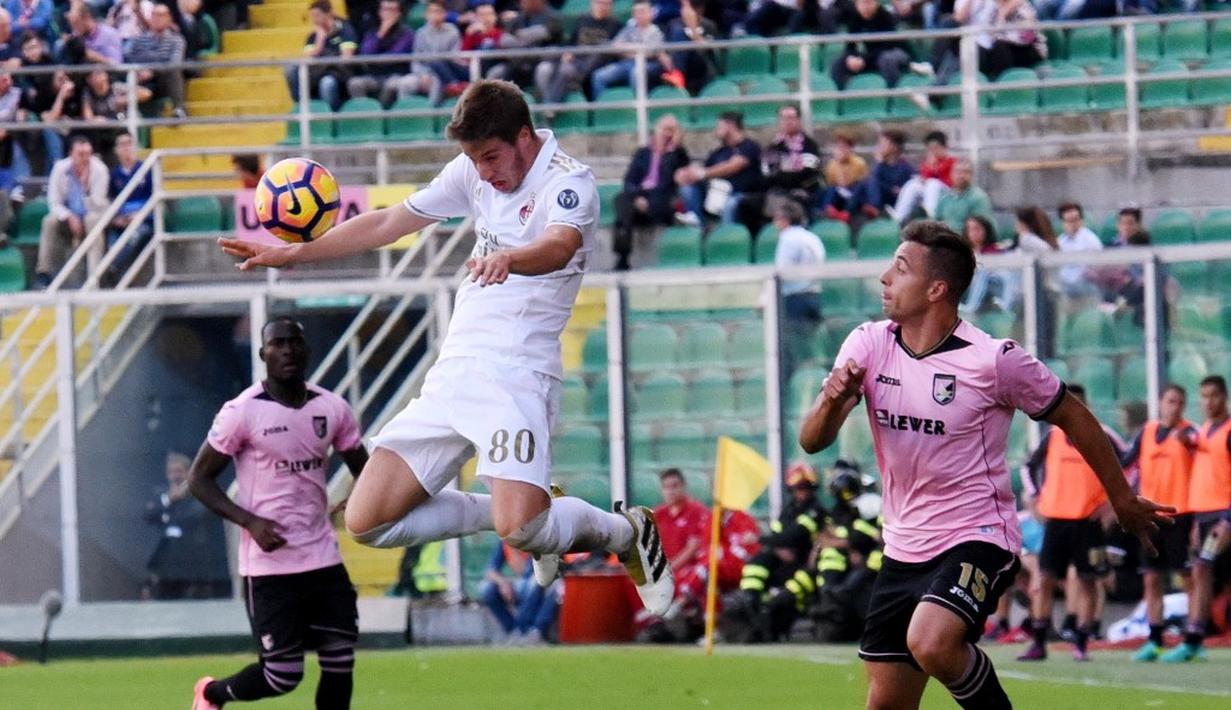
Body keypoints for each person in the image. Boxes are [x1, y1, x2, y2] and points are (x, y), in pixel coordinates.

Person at [217, 80, 675, 623]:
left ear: (524, 137)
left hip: (517, 374)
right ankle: (536, 511)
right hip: (454, 372)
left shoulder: (567, 182)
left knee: (522, 529)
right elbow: (391, 221)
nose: (482, 172)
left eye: (491, 157)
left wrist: (511, 258)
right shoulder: (472, 173)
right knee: (369, 521)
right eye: (473, 159)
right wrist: (294, 254)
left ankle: (627, 531)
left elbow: (559, 246)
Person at [797, 220, 1170, 709]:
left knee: (932, 641)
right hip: (903, 545)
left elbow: (1076, 418)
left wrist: (1121, 498)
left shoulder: (994, 360)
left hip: (979, 535)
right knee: (886, 702)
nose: (885, 277)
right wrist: (832, 399)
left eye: (900, 268)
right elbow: (811, 441)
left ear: (936, 289)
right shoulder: (869, 344)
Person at [188, 317, 370, 710]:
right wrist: (250, 522)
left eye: (294, 343)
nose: (287, 349)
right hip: (270, 567)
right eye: (277, 343)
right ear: (263, 354)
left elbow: (364, 468)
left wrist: (361, 501)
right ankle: (211, 694)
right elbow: (199, 479)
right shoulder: (243, 412)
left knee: (340, 659)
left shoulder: (332, 407)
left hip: (323, 556)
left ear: (306, 351)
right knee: (282, 676)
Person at [1017, 383, 1127, 662]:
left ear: (1085, 405)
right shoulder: (1052, 436)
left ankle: (1081, 641)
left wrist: (1112, 503)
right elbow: (1028, 467)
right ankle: (1039, 641)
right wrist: (1035, 497)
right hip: (1056, 519)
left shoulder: (1102, 433)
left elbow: (1132, 464)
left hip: (1088, 521)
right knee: (1044, 578)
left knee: (1088, 581)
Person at [1122, 385, 1195, 662]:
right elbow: (1126, 463)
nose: (1174, 407)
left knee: (1186, 577)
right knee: (1152, 578)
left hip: (1181, 515)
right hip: (1151, 516)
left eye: (1179, 402)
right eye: (1170, 401)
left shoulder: (1190, 433)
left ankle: (1192, 635)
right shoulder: (1148, 432)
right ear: (1161, 403)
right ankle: (1155, 639)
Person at [1161, 375, 1231, 663]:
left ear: (1224, 396)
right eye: (1203, 396)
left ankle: (1193, 638)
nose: (1207, 402)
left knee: (1202, 568)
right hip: (1203, 515)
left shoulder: (1228, 430)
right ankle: (1196, 638)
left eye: (1213, 395)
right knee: (1209, 572)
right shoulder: (1203, 431)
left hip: (1224, 515)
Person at [142, 451, 229, 600]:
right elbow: (148, 514)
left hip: (193, 562)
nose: (175, 476)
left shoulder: (200, 493)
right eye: (171, 472)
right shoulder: (161, 495)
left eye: (179, 471)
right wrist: (169, 500)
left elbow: (197, 516)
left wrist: (171, 512)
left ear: (188, 472)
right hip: (166, 566)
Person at [612, 112, 689, 270]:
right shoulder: (643, 153)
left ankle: (622, 258)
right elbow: (629, 180)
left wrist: (674, 148)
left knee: (630, 208)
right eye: (665, 129)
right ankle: (623, 256)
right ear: (656, 129)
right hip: (640, 198)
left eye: (672, 130)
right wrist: (637, 198)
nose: (667, 134)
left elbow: (671, 180)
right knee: (622, 200)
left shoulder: (678, 155)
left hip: (661, 200)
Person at [33, 134, 108, 288]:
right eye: (81, 154)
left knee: (91, 220)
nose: (85, 158)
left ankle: (94, 277)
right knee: (49, 221)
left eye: (88, 154)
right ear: (71, 154)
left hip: (92, 215)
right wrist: (69, 216)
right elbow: (54, 202)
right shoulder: (60, 168)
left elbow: (98, 204)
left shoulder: (100, 169)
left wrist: (85, 187)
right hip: (69, 218)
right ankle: (43, 274)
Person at [674, 111, 763, 229]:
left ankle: (726, 238)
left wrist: (702, 173)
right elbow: (703, 169)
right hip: (715, 193)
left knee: (730, 204)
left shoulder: (749, 146)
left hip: (741, 195)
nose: (716, 130)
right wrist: (686, 174)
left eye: (719, 126)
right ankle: (696, 229)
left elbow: (733, 166)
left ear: (730, 126)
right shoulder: (719, 152)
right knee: (688, 189)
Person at [533, 0, 621, 105]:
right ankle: (545, 101)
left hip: (591, 64)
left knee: (566, 69)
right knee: (545, 65)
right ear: (592, 3)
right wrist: (568, 52)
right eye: (600, 3)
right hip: (575, 57)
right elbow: (571, 42)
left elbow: (611, 53)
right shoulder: (583, 20)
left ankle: (549, 108)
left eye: (607, 4)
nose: (603, 6)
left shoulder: (615, 25)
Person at [773, 200, 825, 376]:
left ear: (784, 219)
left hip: (795, 299)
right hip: (814, 296)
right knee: (811, 345)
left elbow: (782, 271)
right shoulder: (812, 237)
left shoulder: (788, 239)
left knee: (794, 351)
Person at [284, 0, 358, 111]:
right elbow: (306, 60)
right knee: (290, 70)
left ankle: (329, 118)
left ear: (329, 13)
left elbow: (346, 58)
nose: (315, 20)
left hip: (338, 74)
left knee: (326, 83)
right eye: (312, 16)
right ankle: (303, 109)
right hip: (317, 73)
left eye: (317, 15)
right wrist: (320, 41)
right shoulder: (313, 37)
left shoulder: (345, 30)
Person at [588, 0, 670, 98]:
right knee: (599, 76)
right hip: (626, 64)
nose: (639, 15)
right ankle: (601, 109)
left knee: (636, 73)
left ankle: (638, 109)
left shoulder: (657, 31)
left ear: (651, 13)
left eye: (642, 11)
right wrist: (636, 50)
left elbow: (649, 53)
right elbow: (615, 46)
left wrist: (627, 49)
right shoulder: (628, 29)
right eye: (636, 12)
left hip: (648, 64)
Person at [345, 0, 415, 108]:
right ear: (380, 12)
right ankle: (365, 111)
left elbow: (395, 56)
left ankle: (380, 112)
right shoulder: (373, 32)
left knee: (391, 85)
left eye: (391, 10)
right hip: (374, 75)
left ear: (398, 13)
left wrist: (376, 59)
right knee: (355, 83)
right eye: (385, 9)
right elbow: (366, 54)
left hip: (396, 74)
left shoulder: (406, 33)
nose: (388, 13)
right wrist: (381, 33)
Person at [124, 2, 188, 117]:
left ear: (169, 18)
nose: (157, 19)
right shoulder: (139, 40)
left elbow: (175, 63)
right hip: (142, 79)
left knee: (174, 72)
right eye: (154, 15)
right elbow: (130, 59)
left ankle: (179, 110)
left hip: (163, 81)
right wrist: (139, 71)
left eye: (161, 15)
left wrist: (152, 71)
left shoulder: (177, 40)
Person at [830, 0, 912, 90]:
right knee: (839, 62)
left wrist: (864, 59)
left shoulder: (885, 16)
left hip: (895, 52)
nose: (865, 7)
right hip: (872, 56)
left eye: (868, 2)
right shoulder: (855, 18)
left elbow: (887, 46)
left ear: (876, 3)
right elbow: (850, 45)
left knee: (887, 59)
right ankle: (838, 96)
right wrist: (851, 58)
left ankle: (892, 94)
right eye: (861, 3)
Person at [759, 104, 822, 218]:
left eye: (791, 118)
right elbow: (767, 174)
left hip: (803, 192)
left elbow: (808, 174)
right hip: (777, 192)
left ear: (798, 120)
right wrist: (788, 172)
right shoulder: (773, 146)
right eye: (783, 118)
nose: (787, 122)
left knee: (785, 205)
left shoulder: (809, 146)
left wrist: (783, 173)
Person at [106, 131, 152, 277]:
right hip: (122, 221)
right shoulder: (114, 174)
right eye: (122, 144)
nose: (126, 148)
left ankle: (110, 270)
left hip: (145, 219)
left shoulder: (147, 169)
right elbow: (112, 200)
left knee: (133, 237)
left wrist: (140, 215)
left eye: (129, 143)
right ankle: (116, 276)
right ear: (116, 149)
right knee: (111, 243)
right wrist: (117, 218)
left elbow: (154, 199)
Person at [401, 0, 460, 105]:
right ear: (426, 15)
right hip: (422, 74)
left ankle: (431, 117)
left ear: (444, 14)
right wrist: (423, 74)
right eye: (432, 12)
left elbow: (454, 59)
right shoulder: (420, 33)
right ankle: (405, 115)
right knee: (405, 82)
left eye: (438, 11)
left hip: (442, 74)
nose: (435, 15)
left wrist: (432, 73)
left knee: (436, 83)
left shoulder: (453, 31)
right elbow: (416, 61)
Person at [891, 131, 954, 224]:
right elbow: (924, 177)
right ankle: (898, 216)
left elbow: (949, 181)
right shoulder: (929, 162)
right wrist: (930, 167)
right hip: (929, 192)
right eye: (930, 149)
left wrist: (933, 167)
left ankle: (930, 216)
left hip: (946, 192)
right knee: (912, 184)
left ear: (944, 147)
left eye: (935, 148)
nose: (933, 151)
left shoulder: (951, 161)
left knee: (933, 183)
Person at [852, 130, 914, 220]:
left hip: (892, 202)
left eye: (883, 144)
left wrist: (879, 164)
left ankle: (873, 208)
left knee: (870, 180)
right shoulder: (881, 165)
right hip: (879, 197)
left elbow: (895, 188)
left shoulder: (903, 167)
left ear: (894, 147)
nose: (879, 147)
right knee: (862, 183)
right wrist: (879, 164)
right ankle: (848, 212)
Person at [818, 131, 869, 223]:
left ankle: (846, 213)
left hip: (853, 195)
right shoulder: (832, 165)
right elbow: (832, 184)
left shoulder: (859, 163)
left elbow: (849, 184)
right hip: (839, 195)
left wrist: (840, 166)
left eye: (844, 147)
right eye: (838, 147)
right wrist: (838, 163)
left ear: (850, 149)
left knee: (857, 187)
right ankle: (826, 211)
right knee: (829, 190)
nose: (840, 150)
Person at [934, 159, 992, 232]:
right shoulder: (944, 196)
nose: (961, 175)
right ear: (951, 174)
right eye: (958, 172)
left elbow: (980, 229)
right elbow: (936, 221)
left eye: (966, 172)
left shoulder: (979, 198)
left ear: (972, 175)